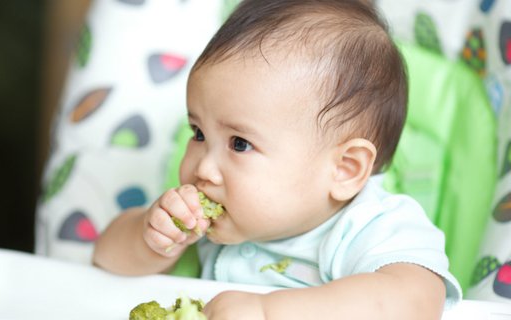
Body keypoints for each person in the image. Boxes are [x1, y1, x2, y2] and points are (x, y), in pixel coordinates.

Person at [93, 0, 461, 318]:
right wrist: (152, 239)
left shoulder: (371, 227)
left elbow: (415, 303)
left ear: (344, 169)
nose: (203, 169)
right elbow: (105, 260)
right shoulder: (214, 222)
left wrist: (268, 312)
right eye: (199, 133)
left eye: (239, 144)